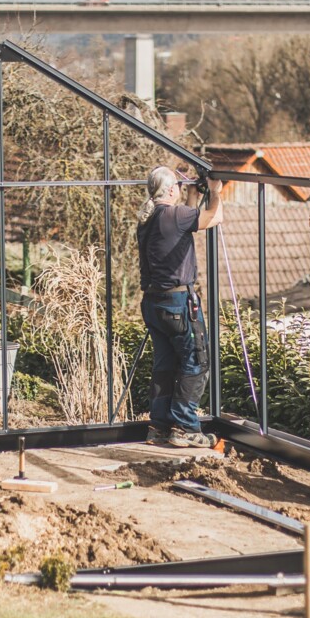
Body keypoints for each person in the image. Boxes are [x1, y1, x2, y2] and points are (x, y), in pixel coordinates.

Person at [136, 165, 223, 447]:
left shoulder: (149, 218)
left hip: (152, 303)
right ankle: (185, 427)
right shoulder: (176, 215)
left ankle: (159, 426)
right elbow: (214, 217)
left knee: (165, 363)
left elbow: (186, 219)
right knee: (196, 361)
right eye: (179, 187)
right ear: (172, 190)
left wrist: (195, 192)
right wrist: (216, 192)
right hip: (177, 303)